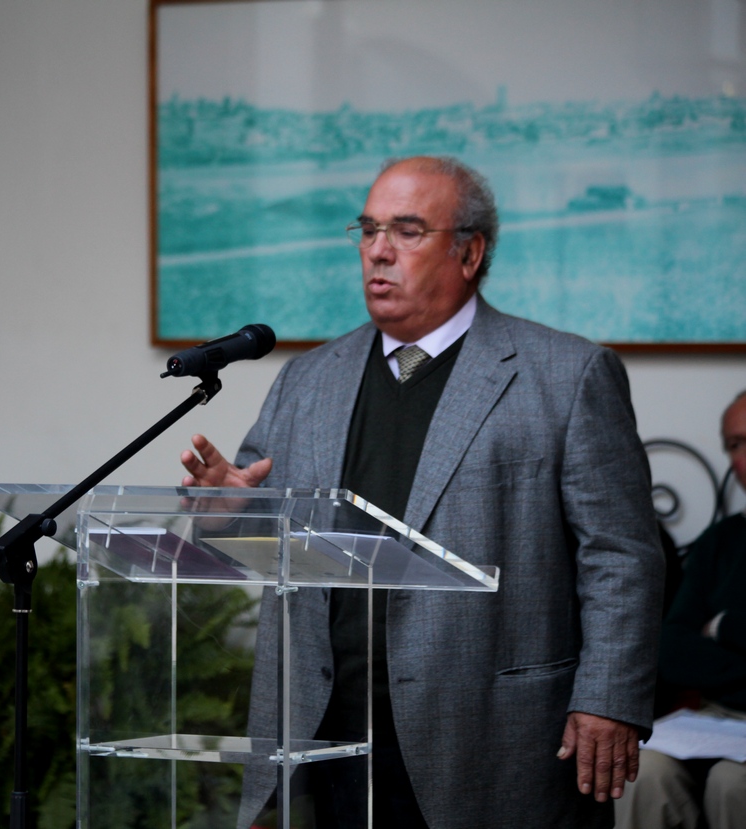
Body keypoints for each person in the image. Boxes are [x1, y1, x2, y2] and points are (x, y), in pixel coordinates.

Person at [179, 156, 665, 829]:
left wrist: (608, 698)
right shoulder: (307, 380)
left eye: (408, 231)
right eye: (370, 228)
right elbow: (265, 531)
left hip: (493, 737)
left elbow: (621, 556)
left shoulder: (568, 376)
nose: (378, 249)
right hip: (328, 736)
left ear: (470, 253)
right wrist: (231, 514)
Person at [616, 390, 746, 829]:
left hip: (727, 718)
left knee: (733, 783)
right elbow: (671, 650)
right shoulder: (723, 540)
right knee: (642, 771)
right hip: (719, 717)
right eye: (735, 444)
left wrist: (723, 626)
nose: (743, 457)